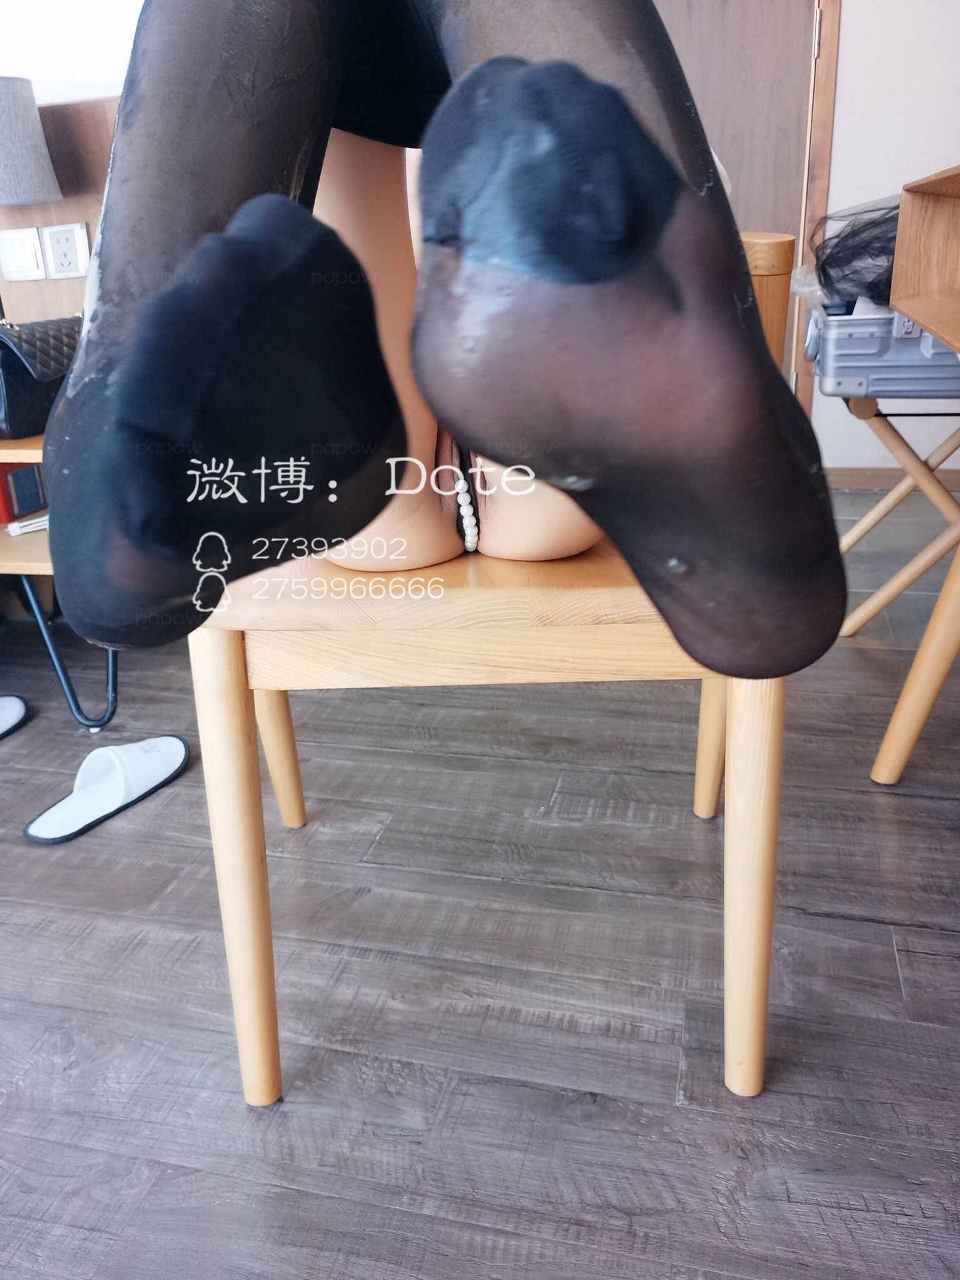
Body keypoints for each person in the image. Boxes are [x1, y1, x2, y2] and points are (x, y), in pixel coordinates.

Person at [44, 0, 846, 678]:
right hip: (539, 462)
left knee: (305, 197)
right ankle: (726, 507)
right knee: (538, 145)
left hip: (365, 481)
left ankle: (124, 464)